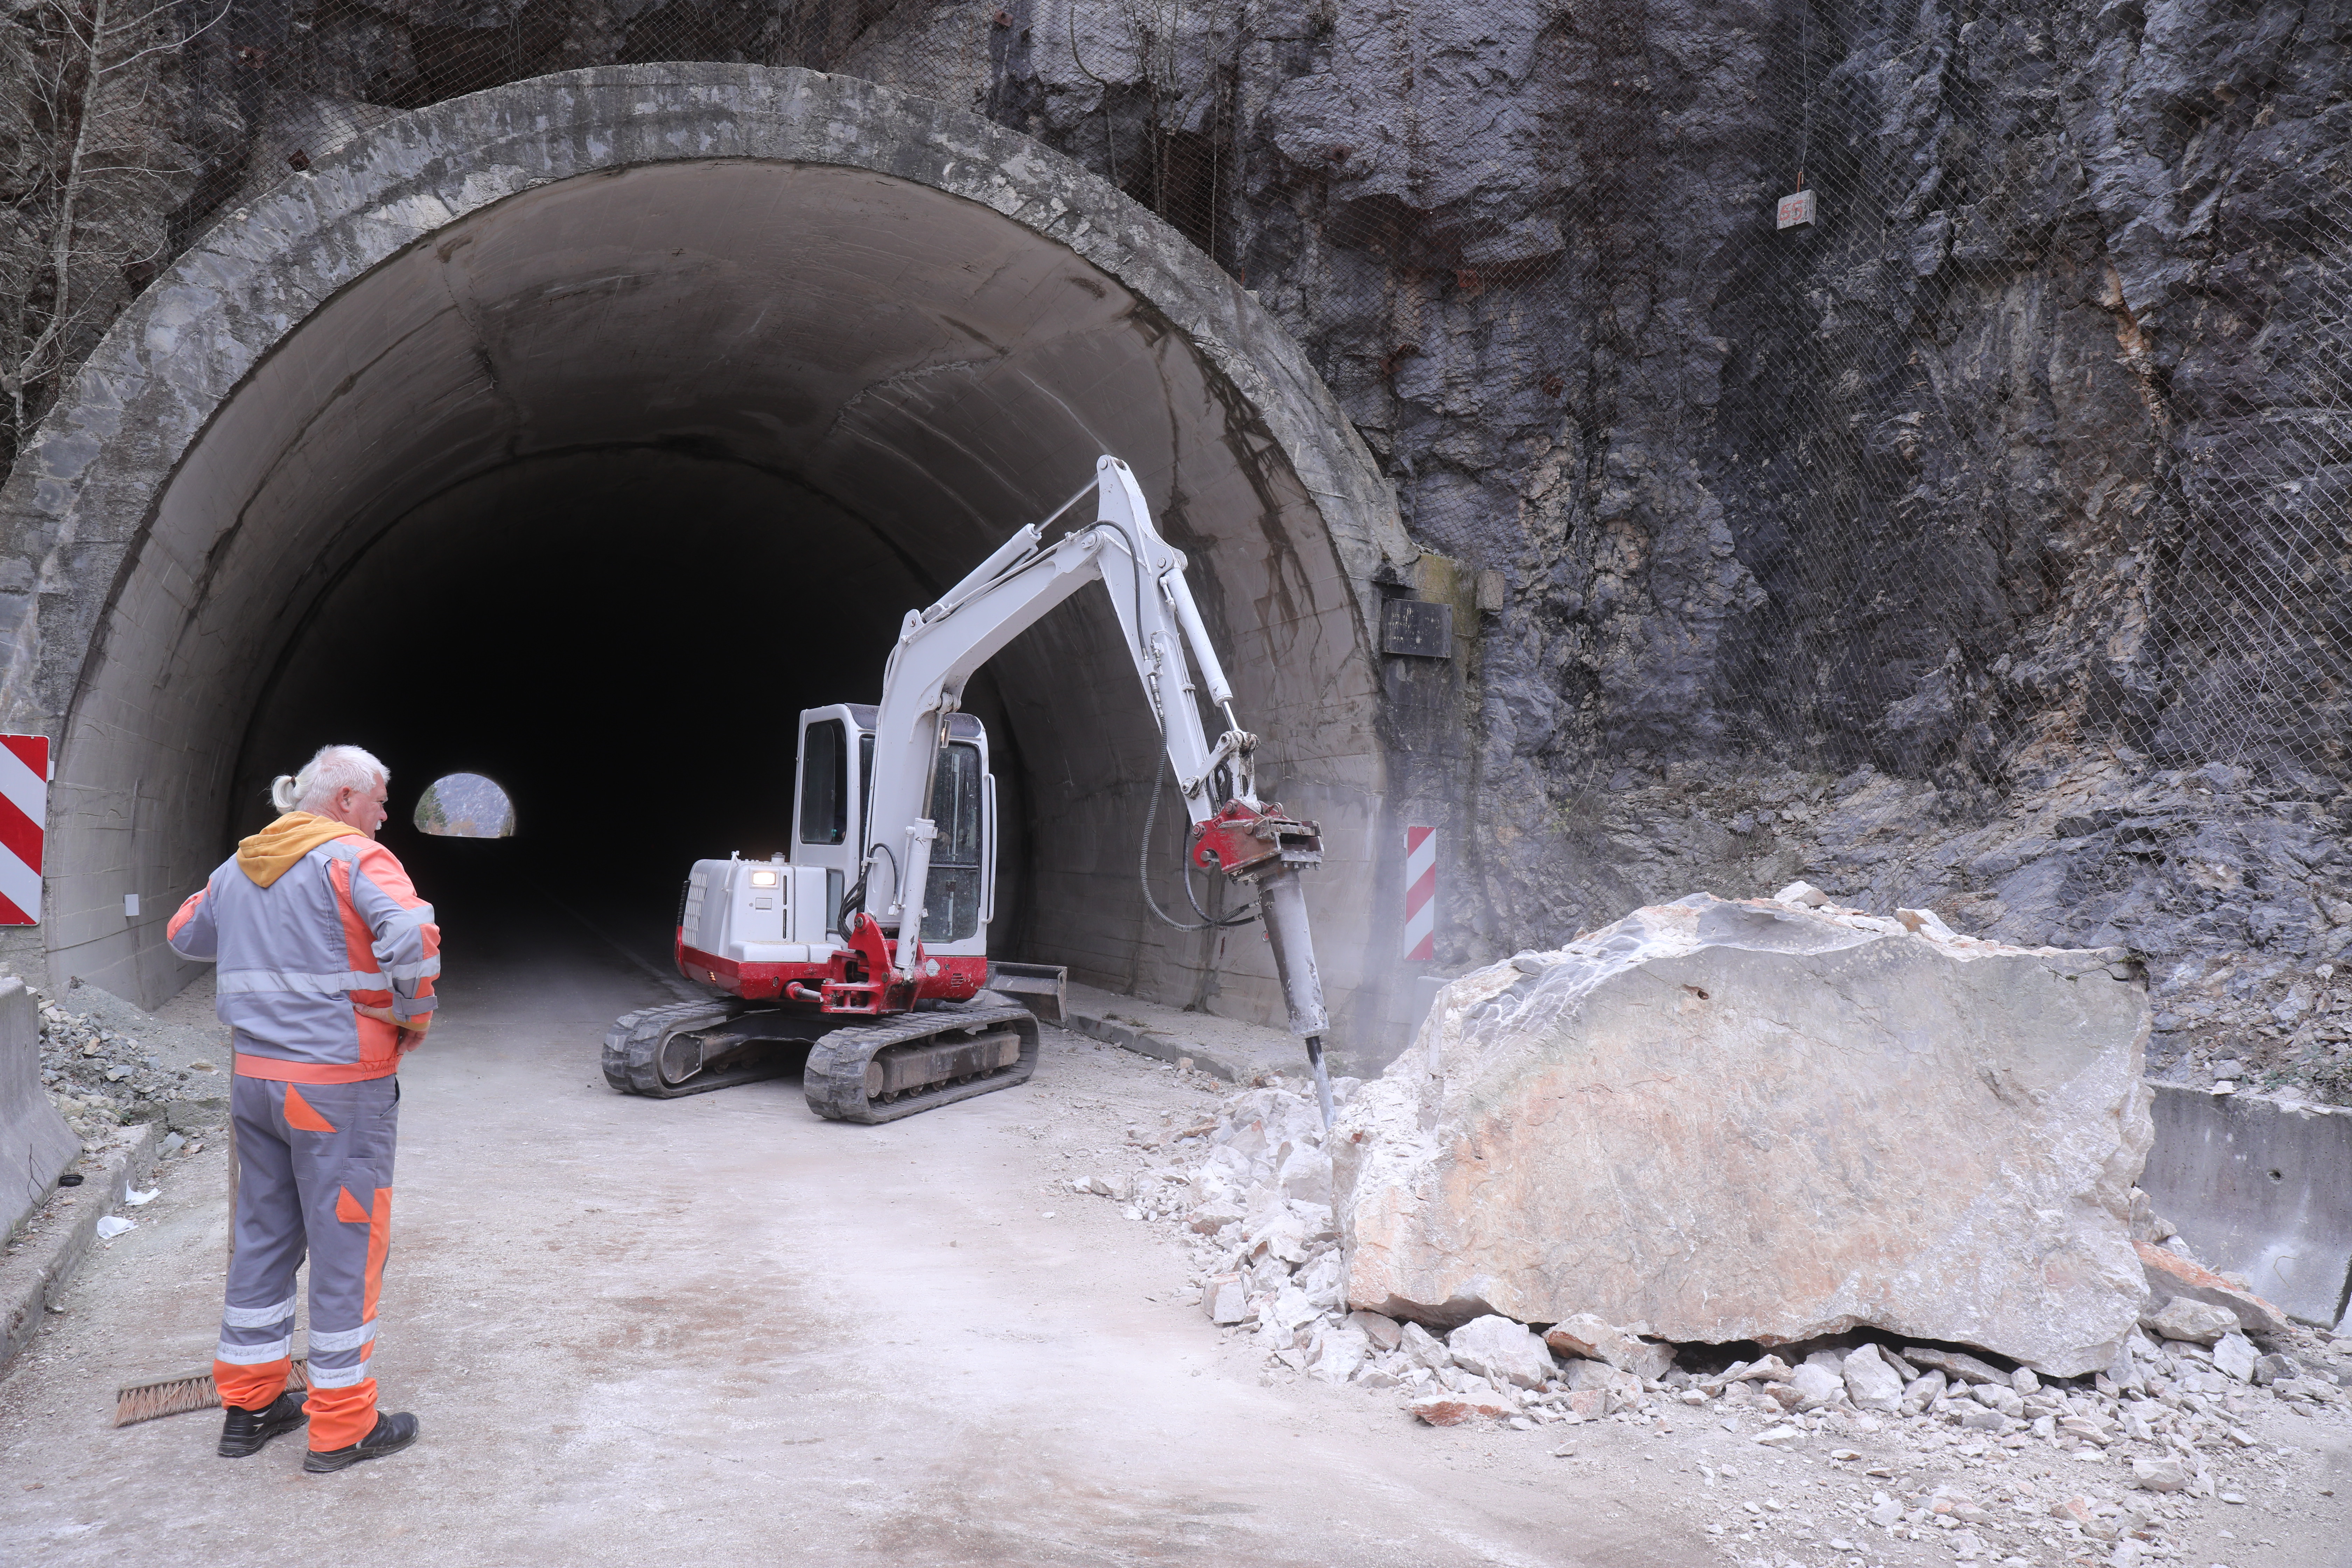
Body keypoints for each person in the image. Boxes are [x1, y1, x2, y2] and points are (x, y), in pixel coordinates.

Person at [166, 744, 439, 1471]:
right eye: (380, 799)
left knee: (263, 1235)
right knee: (348, 1245)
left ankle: (251, 1405)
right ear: (346, 797)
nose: (385, 813)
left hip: (257, 1083)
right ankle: (344, 1422)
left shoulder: (243, 863)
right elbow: (413, 935)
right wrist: (413, 1017)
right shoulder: (357, 860)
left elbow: (184, 935)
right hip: (337, 1084)